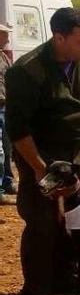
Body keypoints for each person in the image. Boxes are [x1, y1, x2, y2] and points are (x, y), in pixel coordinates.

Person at [5, 8, 80, 295]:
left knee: (76, 220)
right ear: (59, 37)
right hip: (40, 155)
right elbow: (18, 129)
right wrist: (39, 168)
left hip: (78, 155)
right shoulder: (27, 71)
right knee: (42, 224)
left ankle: (66, 281)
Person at [0, 22, 15, 205]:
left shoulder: (3, 56)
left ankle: (8, 181)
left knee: (7, 147)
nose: (8, 38)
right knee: (1, 151)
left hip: (5, 106)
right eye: (4, 35)